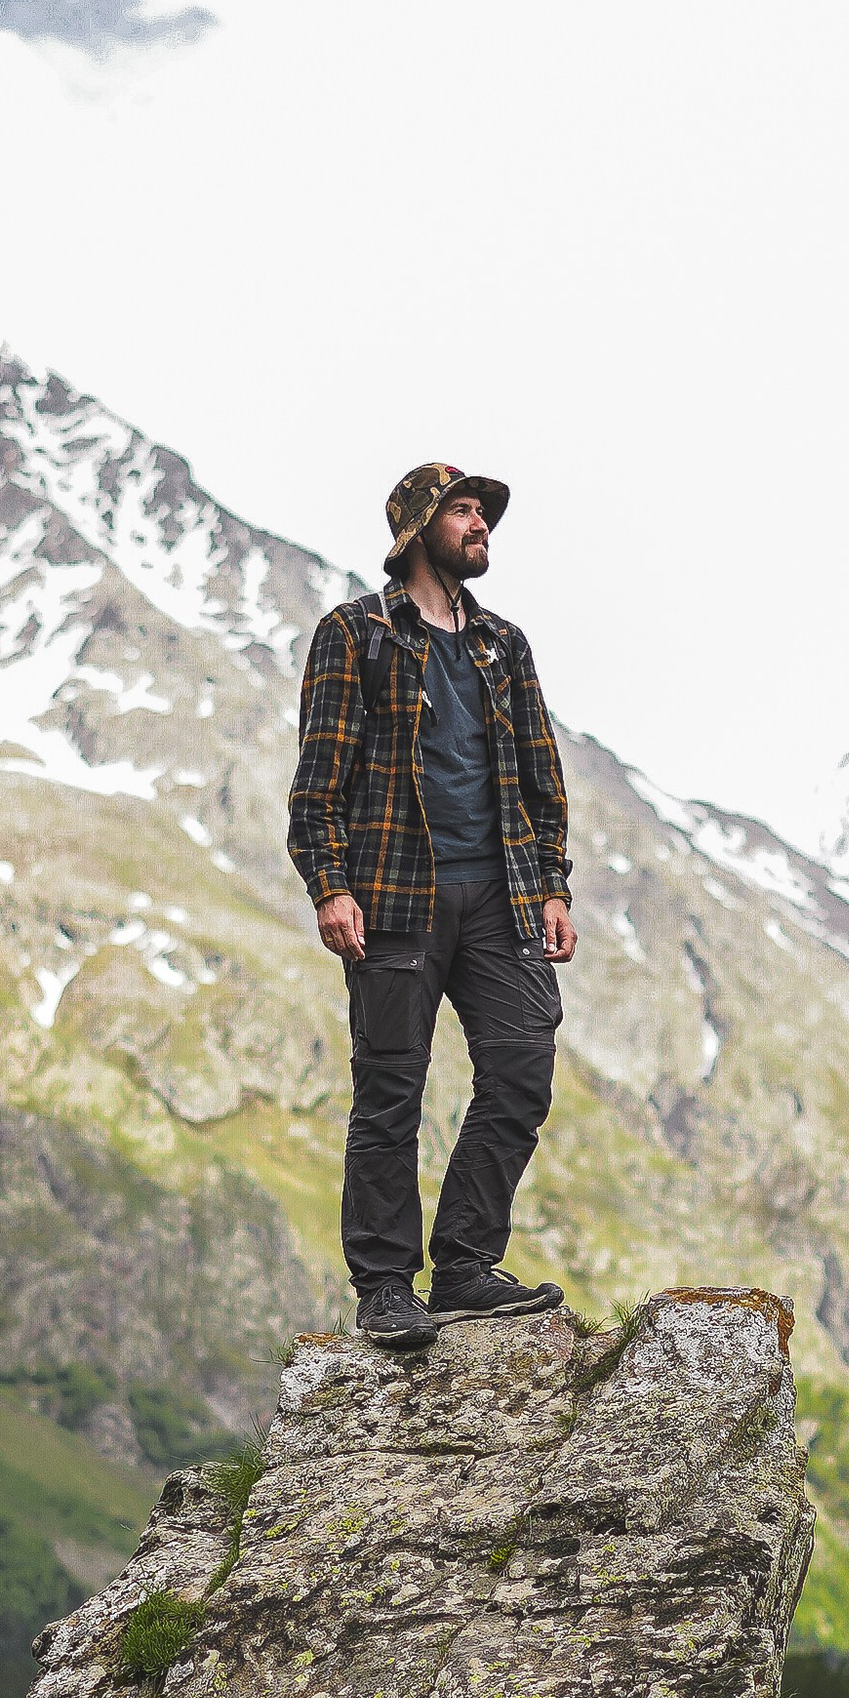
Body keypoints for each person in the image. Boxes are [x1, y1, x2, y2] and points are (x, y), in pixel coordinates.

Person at [287, 462, 577, 1346]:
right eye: (463, 511)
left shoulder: (503, 644)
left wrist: (553, 885)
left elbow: (540, 774)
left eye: (484, 512)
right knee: (390, 1092)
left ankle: (463, 1266)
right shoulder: (356, 634)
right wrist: (331, 885)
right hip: (394, 896)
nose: (481, 524)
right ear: (419, 529)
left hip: (500, 897)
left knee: (521, 1069)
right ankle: (385, 1286)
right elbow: (318, 781)